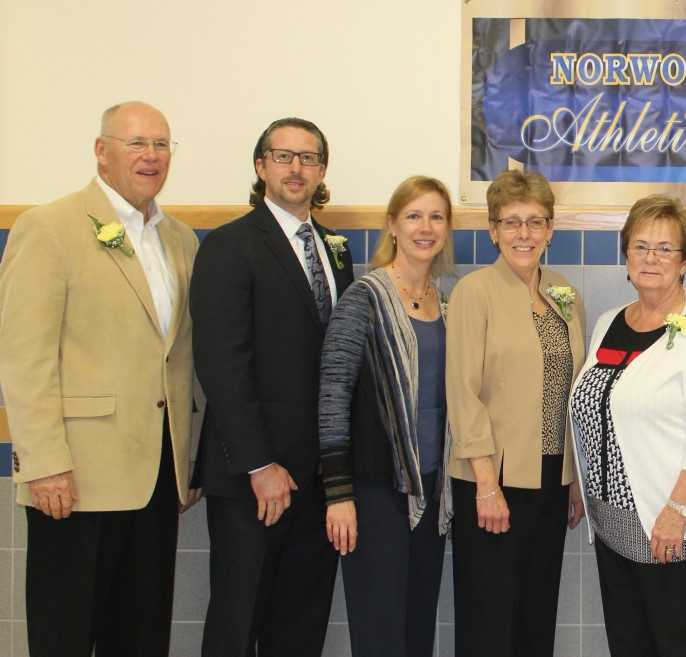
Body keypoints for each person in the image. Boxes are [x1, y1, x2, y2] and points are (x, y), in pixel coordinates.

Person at [0, 101, 199, 657]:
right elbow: (24, 356)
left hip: (157, 476)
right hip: (75, 480)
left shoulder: (178, 239)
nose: (151, 156)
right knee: (65, 632)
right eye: (136, 143)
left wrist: (188, 460)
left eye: (162, 145)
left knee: (140, 635)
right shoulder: (49, 227)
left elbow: (178, 357)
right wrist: (44, 464)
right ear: (101, 150)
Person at [191, 117, 353, 657]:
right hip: (252, 480)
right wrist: (260, 465)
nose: (296, 168)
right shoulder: (229, 246)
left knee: (300, 623)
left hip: (316, 478)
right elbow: (222, 363)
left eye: (308, 158)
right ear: (261, 167)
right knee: (239, 620)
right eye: (283, 156)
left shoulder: (335, 250)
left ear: (323, 170)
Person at [569, 195, 686, 657]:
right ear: (625, 253)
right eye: (640, 245)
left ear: (685, 261)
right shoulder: (609, 322)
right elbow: (596, 411)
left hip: (683, 531)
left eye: (665, 249)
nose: (651, 257)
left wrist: (678, 511)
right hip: (617, 527)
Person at [445, 169, 586, 657]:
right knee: (491, 618)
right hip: (493, 480)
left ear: (551, 229)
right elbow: (462, 394)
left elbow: (570, 390)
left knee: (536, 610)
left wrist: (572, 479)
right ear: (493, 230)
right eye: (511, 222)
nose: (524, 234)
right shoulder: (475, 292)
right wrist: (486, 483)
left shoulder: (564, 292)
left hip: (549, 479)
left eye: (535, 222)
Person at [317, 176, 455, 657]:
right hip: (375, 494)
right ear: (393, 225)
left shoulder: (446, 302)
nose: (426, 227)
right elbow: (332, 395)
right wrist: (338, 495)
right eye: (414, 215)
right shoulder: (364, 299)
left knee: (417, 630)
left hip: (431, 491)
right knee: (380, 635)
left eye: (436, 216)